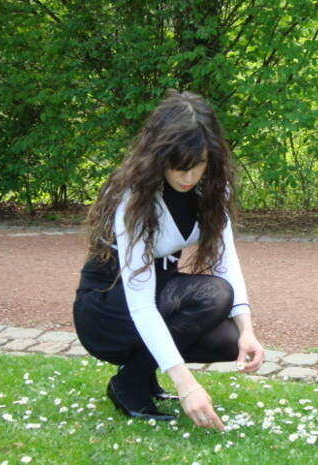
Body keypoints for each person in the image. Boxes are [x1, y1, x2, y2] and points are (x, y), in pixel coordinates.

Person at [72, 89, 264, 431]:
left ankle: (138, 376)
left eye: (198, 164)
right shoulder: (132, 197)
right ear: (159, 155)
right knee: (213, 294)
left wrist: (247, 330)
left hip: (161, 292)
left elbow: (226, 260)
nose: (188, 177)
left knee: (229, 340)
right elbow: (141, 303)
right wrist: (187, 384)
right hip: (107, 306)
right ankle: (130, 383)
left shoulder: (213, 189)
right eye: (179, 166)